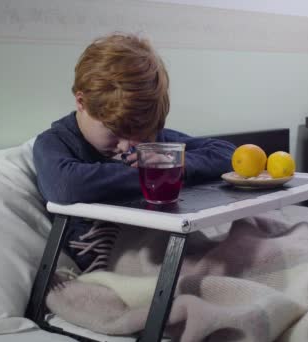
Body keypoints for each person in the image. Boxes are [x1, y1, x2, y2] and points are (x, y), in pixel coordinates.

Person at [33, 33, 235, 273]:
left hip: (168, 248)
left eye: (141, 134)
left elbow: (227, 154)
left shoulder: (151, 143)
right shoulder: (55, 143)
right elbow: (65, 185)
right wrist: (154, 175)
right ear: (81, 102)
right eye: (115, 132)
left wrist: (176, 166)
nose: (127, 146)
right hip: (113, 259)